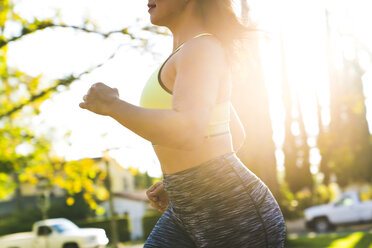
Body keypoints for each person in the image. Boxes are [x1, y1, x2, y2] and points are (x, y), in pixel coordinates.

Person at [79, 0, 286, 247]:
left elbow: (189, 131)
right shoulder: (191, 51)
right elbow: (234, 133)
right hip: (185, 206)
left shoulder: (202, 48)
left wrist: (114, 106)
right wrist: (178, 182)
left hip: (232, 210)